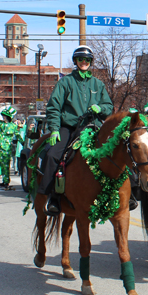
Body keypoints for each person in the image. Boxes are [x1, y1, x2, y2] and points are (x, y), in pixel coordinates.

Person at [39, 45, 114, 215]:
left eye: (87, 59)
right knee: (52, 155)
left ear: (90, 62)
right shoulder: (65, 82)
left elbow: (109, 106)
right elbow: (53, 107)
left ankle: (129, 191)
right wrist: (55, 129)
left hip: (94, 127)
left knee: (119, 149)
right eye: (80, 59)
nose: (84, 62)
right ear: (75, 61)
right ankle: (53, 197)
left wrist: (100, 108)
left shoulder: (98, 84)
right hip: (70, 128)